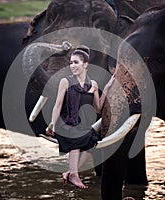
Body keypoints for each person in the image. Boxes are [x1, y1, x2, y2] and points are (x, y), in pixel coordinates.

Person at [46, 45, 115, 189]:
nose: (72, 65)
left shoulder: (93, 85)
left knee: (93, 142)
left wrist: (107, 88)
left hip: (81, 125)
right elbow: (58, 105)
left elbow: (98, 108)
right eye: (71, 62)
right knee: (77, 137)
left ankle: (70, 172)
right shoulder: (65, 81)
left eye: (76, 62)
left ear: (85, 64)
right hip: (65, 123)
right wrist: (52, 123)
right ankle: (75, 175)